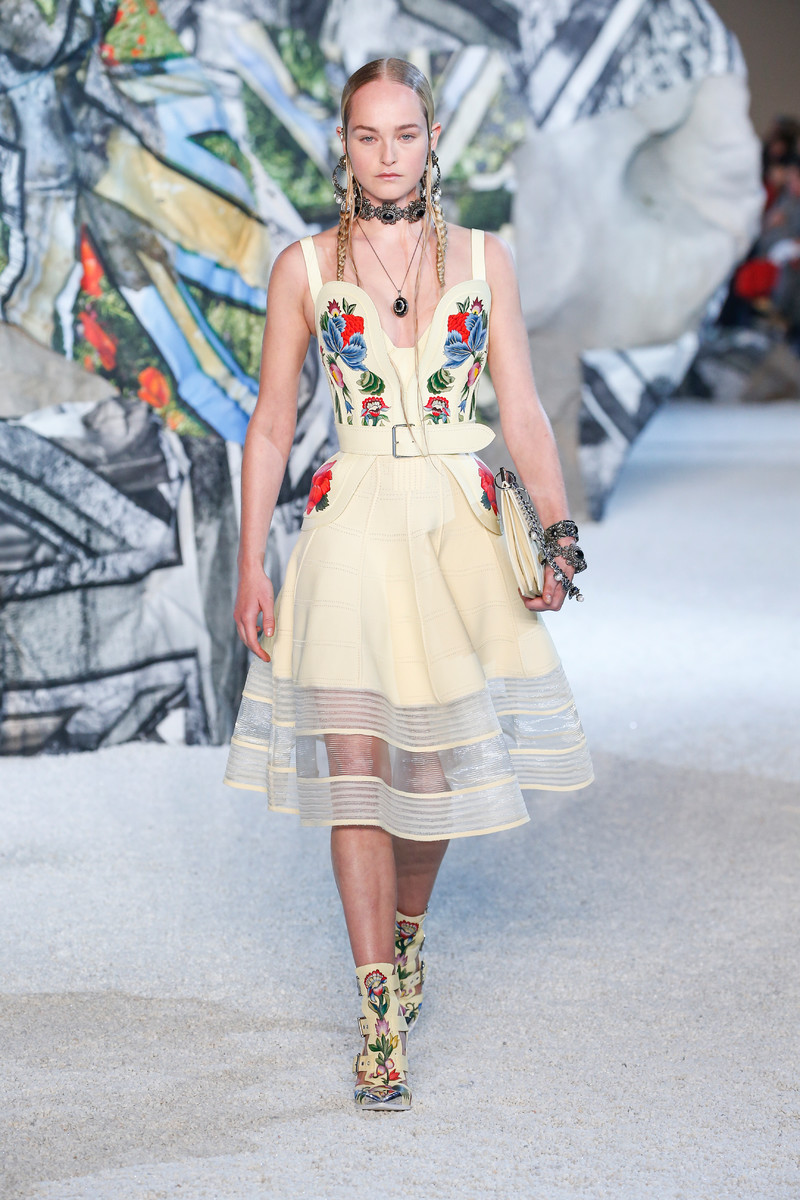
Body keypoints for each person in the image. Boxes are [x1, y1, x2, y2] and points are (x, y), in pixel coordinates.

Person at [224, 57, 593, 1111]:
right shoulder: (304, 266)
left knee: (428, 775)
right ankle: (377, 1008)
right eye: (366, 134)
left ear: (432, 140)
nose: (386, 154)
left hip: (453, 526)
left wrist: (557, 533)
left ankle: (407, 931)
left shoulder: (482, 258)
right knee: (355, 765)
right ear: (342, 145)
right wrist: (250, 558)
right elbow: (270, 423)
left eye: (404, 133)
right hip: (349, 524)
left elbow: (521, 408)